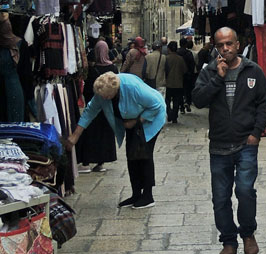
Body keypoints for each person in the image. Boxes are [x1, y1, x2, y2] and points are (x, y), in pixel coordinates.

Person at [192, 27, 266, 254]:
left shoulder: (253, 71)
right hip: (219, 145)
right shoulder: (209, 71)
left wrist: (256, 133)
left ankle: (248, 235)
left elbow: (264, 104)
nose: (225, 48)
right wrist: (218, 77)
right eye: (220, 45)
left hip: (245, 143)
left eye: (229, 44)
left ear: (237, 45)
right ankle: (228, 240)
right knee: (220, 197)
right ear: (215, 47)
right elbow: (198, 100)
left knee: (245, 191)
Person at [64, 72, 166, 209]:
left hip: (150, 120)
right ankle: (136, 194)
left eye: (107, 96)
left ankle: (148, 196)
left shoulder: (132, 87)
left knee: (144, 155)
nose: (104, 98)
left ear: (116, 91)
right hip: (130, 121)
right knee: (131, 156)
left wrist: (137, 121)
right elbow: (90, 111)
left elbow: (157, 104)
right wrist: (75, 136)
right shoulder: (102, 92)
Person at [77, 37, 117, 174]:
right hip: (108, 110)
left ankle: (86, 162)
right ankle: (100, 163)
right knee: (105, 135)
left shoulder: (92, 70)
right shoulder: (113, 69)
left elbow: (88, 90)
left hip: (94, 109)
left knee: (90, 134)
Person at [164, 42, 188, 124]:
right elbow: (185, 70)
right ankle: (174, 116)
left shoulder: (166, 58)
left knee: (167, 100)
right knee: (176, 101)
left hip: (168, 83)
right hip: (178, 83)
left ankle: (169, 114)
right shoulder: (180, 59)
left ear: (169, 49)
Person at [180, 38, 197, 113]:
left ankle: (181, 107)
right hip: (187, 75)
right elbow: (192, 64)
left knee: (180, 91)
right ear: (185, 44)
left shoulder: (177, 52)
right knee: (188, 90)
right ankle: (187, 103)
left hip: (179, 75)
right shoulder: (188, 53)